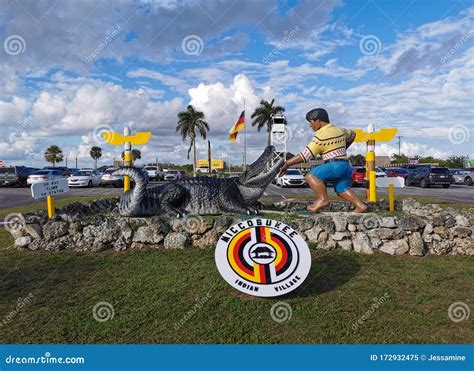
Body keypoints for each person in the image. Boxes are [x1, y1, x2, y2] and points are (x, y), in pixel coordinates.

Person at [279, 108, 367, 213]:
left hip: (334, 165)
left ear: (318, 120)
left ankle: (323, 199)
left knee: (311, 176)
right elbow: (353, 134)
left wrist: (287, 163)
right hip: (346, 165)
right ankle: (360, 206)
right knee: (342, 190)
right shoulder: (340, 130)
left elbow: (305, 155)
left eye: (311, 122)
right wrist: (343, 148)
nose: (310, 125)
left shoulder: (321, 136)